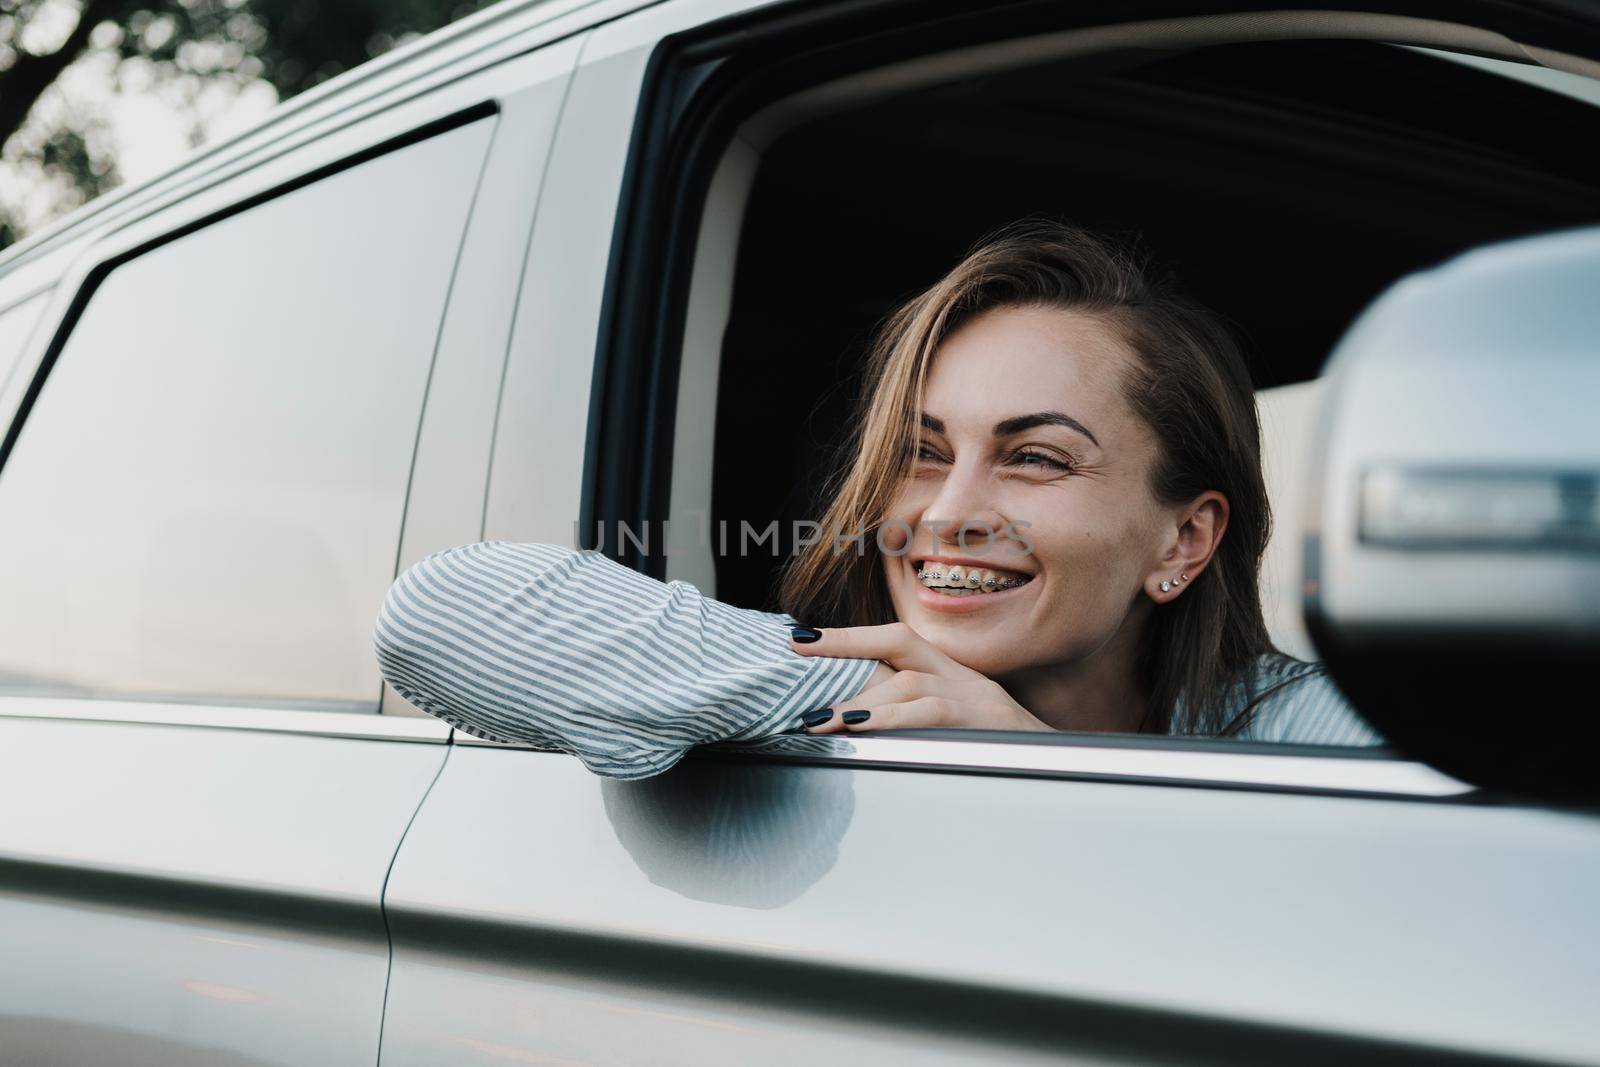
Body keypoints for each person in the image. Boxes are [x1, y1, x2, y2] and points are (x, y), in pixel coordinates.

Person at [373, 218, 1379, 780]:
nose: (948, 512)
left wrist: (1033, 767)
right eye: (922, 452)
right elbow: (439, 612)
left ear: (1185, 538)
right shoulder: (778, 706)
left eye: (1034, 457)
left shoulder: (1306, 731)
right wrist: (874, 702)